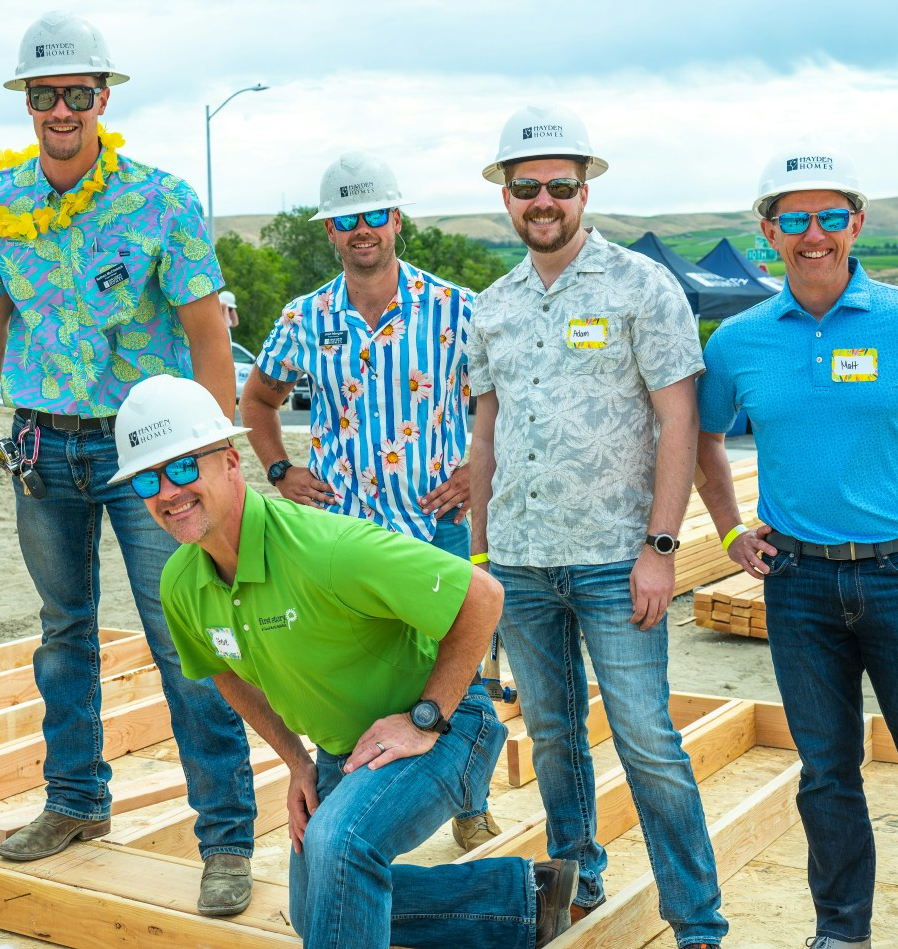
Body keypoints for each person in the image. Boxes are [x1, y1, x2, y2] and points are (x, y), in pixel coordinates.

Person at [0, 10, 256, 914]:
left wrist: (215, 458)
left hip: (152, 451)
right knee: (63, 632)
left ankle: (226, 837)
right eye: (46, 95)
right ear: (28, 103)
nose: (62, 109)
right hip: (45, 446)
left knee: (185, 634)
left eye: (78, 93)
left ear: (103, 98)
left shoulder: (160, 201)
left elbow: (206, 332)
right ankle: (76, 802)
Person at [695, 146, 898, 949]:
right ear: (769, 231)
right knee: (825, 772)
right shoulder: (739, 341)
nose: (815, 235)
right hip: (798, 583)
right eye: (795, 220)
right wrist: (732, 530)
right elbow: (702, 438)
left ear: (858, 222)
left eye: (831, 217)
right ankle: (841, 932)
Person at [112, 374, 579, 948]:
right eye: (146, 479)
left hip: (448, 726)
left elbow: (483, 597)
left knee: (340, 845)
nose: (167, 491)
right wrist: (296, 762)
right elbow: (225, 674)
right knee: (317, 912)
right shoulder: (181, 583)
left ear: (230, 463)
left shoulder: (324, 550)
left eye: (183, 467)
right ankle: (522, 900)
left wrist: (422, 719)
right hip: (347, 750)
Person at [466, 104, 726, 948]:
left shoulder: (642, 287)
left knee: (648, 741)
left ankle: (696, 921)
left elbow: (678, 423)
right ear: (506, 195)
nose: (543, 200)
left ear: (585, 189)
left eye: (559, 186)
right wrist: (480, 555)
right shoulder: (494, 305)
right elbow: (485, 436)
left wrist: (660, 548)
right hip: (523, 563)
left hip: (619, 563)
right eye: (526, 186)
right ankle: (576, 878)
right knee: (550, 736)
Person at [238, 149, 500, 848]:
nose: (362, 230)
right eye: (346, 218)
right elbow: (257, 398)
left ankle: (468, 796)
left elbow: (500, 402)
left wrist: (479, 468)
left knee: (456, 671)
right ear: (330, 231)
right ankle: (356, 809)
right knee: (357, 672)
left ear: (396, 220)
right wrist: (277, 471)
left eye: (373, 215)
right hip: (342, 540)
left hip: (432, 525)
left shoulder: (452, 309)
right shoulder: (305, 317)